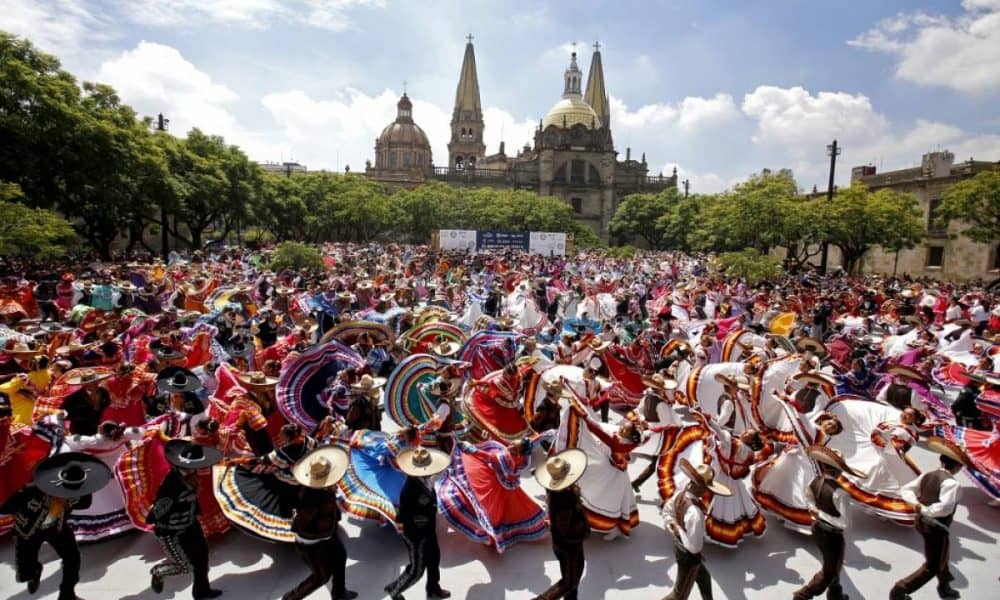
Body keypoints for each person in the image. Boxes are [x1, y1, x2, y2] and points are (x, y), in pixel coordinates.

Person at [1, 452, 111, 600]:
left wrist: (86, 490)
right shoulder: (32, 491)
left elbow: (85, 504)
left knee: (72, 558)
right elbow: (6, 507)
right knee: (25, 572)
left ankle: (67, 594)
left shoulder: (79, 493)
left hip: (57, 527)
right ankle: (34, 570)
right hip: (29, 530)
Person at [889, 437, 970, 600]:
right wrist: (925, 509)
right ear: (958, 467)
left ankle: (944, 584)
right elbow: (944, 508)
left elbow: (906, 490)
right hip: (936, 527)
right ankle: (900, 590)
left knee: (943, 553)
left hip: (921, 522)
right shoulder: (953, 485)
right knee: (932, 565)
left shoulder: (928, 474)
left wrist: (917, 505)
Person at [148, 440, 224, 599]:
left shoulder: (191, 474)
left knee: (202, 559)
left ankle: (201, 591)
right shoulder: (171, 484)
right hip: (171, 531)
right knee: (184, 566)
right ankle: (158, 572)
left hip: (191, 525)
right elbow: (157, 511)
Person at [283, 445, 358, 600]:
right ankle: (291, 598)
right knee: (321, 577)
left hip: (327, 534)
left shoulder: (324, 490)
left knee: (340, 556)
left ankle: (339, 593)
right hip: (312, 543)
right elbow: (303, 525)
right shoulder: (312, 499)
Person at [793, 446, 868, 600]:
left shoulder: (815, 481)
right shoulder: (841, 494)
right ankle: (802, 596)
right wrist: (820, 514)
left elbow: (808, 499)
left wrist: (815, 511)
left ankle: (835, 594)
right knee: (830, 569)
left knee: (834, 564)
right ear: (839, 471)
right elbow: (845, 524)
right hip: (832, 535)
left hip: (817, 529)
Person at [385, 446, 452, 600]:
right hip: (416, 534)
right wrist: (417, 536)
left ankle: (433, 590)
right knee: (417, 569)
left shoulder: (425, 479)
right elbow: (407, 518)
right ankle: (395, 590)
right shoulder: (410, 490)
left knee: (434, 558)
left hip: (428, 530)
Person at [661, 458, 732, 600]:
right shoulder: (695, 514)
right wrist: (681, 532)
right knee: (679, 595)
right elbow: (694, 547)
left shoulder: (680, 494)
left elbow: (667, 512)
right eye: (707, 488)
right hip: (689, 556)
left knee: (704, 579)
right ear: (701, 488)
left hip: (680, 546)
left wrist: (676, 529)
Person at [533, 448, 590, 600]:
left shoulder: (555, 491)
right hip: (569, 547)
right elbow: (565, 530)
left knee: (575, 577)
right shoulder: (564, 498)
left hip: (566, 545)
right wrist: (583, 532)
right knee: (569, 582)